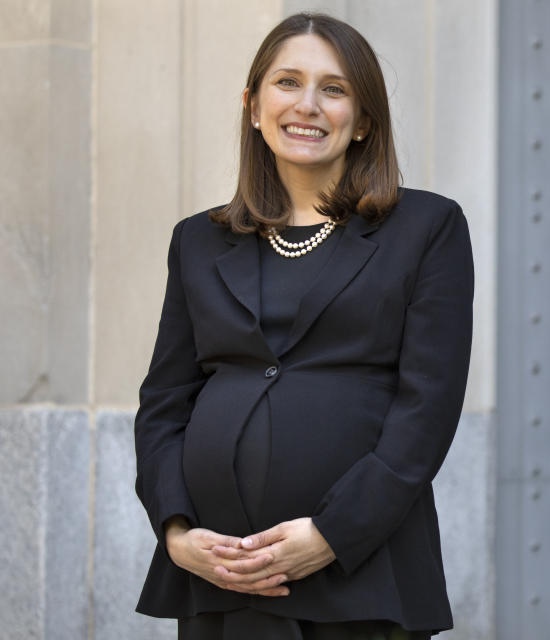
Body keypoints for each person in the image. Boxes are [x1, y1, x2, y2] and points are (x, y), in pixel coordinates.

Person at [133, 12, 473, 640]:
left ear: (364, 119)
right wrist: (176, 531)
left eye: (335, 89)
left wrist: (333, 534)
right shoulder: (198, 241)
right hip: (221, 579)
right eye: (287, 82)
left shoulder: (428, 228)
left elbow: (427, 408)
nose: (308, 105)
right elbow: (164, 402)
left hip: (364, 576)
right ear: (253, 106)